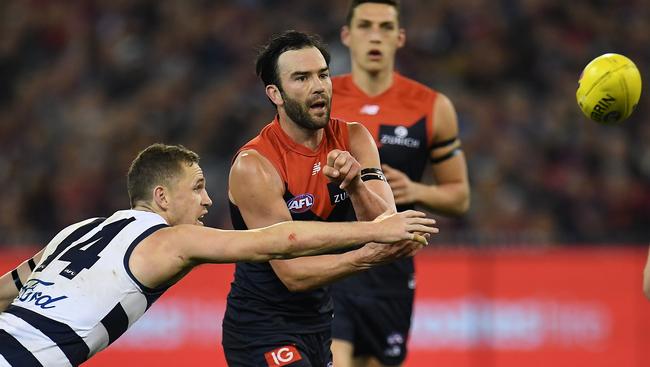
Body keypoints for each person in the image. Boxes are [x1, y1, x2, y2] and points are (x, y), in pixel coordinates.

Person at [0, 143, 438, 367]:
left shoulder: (77, 231)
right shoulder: (171, 240)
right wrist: (376, 231)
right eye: (196, 188)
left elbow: (6, 292)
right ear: (161, 197)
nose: (207, 201)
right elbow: (274, 242)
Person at [222, 30, 430, 366]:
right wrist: (367, 255)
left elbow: (386, 223)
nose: (318, 86)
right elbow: (294, 275)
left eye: (323, 75)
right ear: (275, 94)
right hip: (261, 327)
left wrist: (355, 186)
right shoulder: (255, 166)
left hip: (319, 323)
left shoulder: (354, 137)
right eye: (301, 78)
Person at [329, 1, 471, 366]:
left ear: (400, 37)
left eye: (385, 27)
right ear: (347, 35)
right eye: (364, 25)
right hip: (333, 257)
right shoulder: (322, 101)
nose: (374, 35)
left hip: (392, 266)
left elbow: (459, 198)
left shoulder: (432, 106)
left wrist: (415, 191)